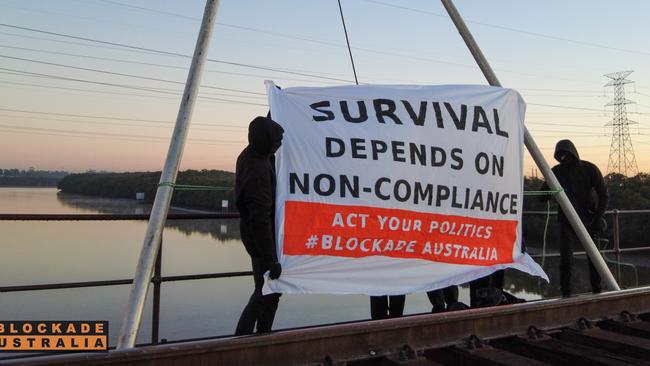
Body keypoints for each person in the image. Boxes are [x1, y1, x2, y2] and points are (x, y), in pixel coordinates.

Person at [234, 116, 285, 335]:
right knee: (265, 290)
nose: (278, 145)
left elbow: (264, 128)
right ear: (265, 142)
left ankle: (262, 335)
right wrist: (271, 258)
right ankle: (242, 339)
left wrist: (276, 106)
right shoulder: (258, 172)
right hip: (262, 240)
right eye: (275, 142)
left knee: (269, 291)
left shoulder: (250, 154)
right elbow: (260, 219)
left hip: (254, 237)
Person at [540, 139, 608, 298]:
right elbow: (542, 197)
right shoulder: (555, 172)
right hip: (566, 221)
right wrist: (550, 190)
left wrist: (598, 217)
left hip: (589, 219)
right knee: (566, 259)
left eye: (565, 154)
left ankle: (597, 290)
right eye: (560, 155)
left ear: (573, 152)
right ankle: (566, 293)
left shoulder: (589, 168)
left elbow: (603, 194)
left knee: (594, 257)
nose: (563, 158)